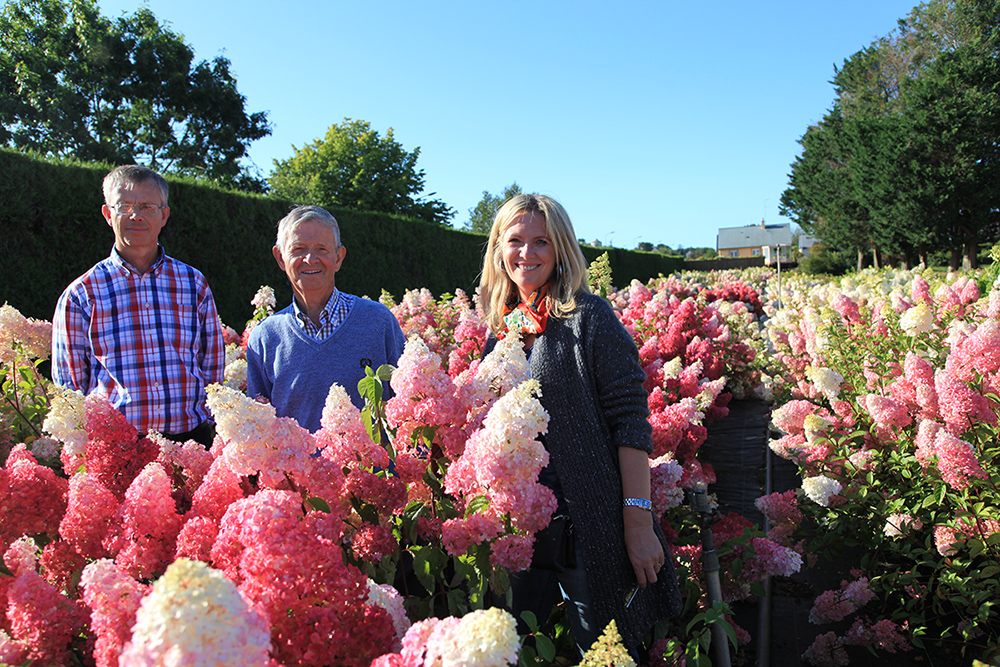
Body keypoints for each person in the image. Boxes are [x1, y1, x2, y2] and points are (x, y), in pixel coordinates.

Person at [480, 194, 681, 655]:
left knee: (604, 652)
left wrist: (637, 522)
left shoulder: (589, 318)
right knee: (518, 647)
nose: (526, 254)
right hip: (522, 527)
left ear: (561, 250)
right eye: (514, 241)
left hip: (585, 524)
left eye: (541, 242)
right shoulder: (502, 330)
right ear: (498, 249)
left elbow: (630, 422)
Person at [52, 165, 225, 447]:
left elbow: (212, 364)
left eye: (147, 206)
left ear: (164, 215)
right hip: (118, 447)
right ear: (108, 214)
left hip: (191, 442)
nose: (136, 215)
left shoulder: (193, 284)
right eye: (125, 206)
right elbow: (70, 387)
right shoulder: (81, 294)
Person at [246, 205, 406, 432]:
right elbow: (258, 429)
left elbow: (408, 407)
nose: (310, 259)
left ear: (339, 257)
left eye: (322, 249)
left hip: (371, 468)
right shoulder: (266, 337)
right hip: (297, 468)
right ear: (281, 258)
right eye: (298, 249)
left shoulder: (378, 322)